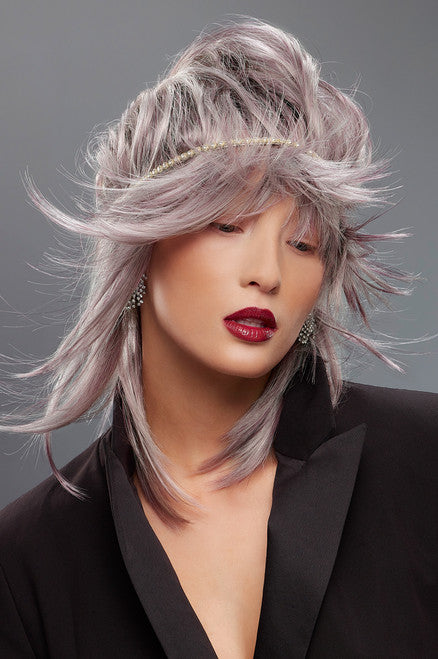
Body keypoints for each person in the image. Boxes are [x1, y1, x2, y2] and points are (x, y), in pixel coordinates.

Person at [0, 17, 437, 659]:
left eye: (303, 243)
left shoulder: (422, 460)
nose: (268, 273)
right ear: (143, 244)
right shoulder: (28, 560)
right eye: (229, 225)